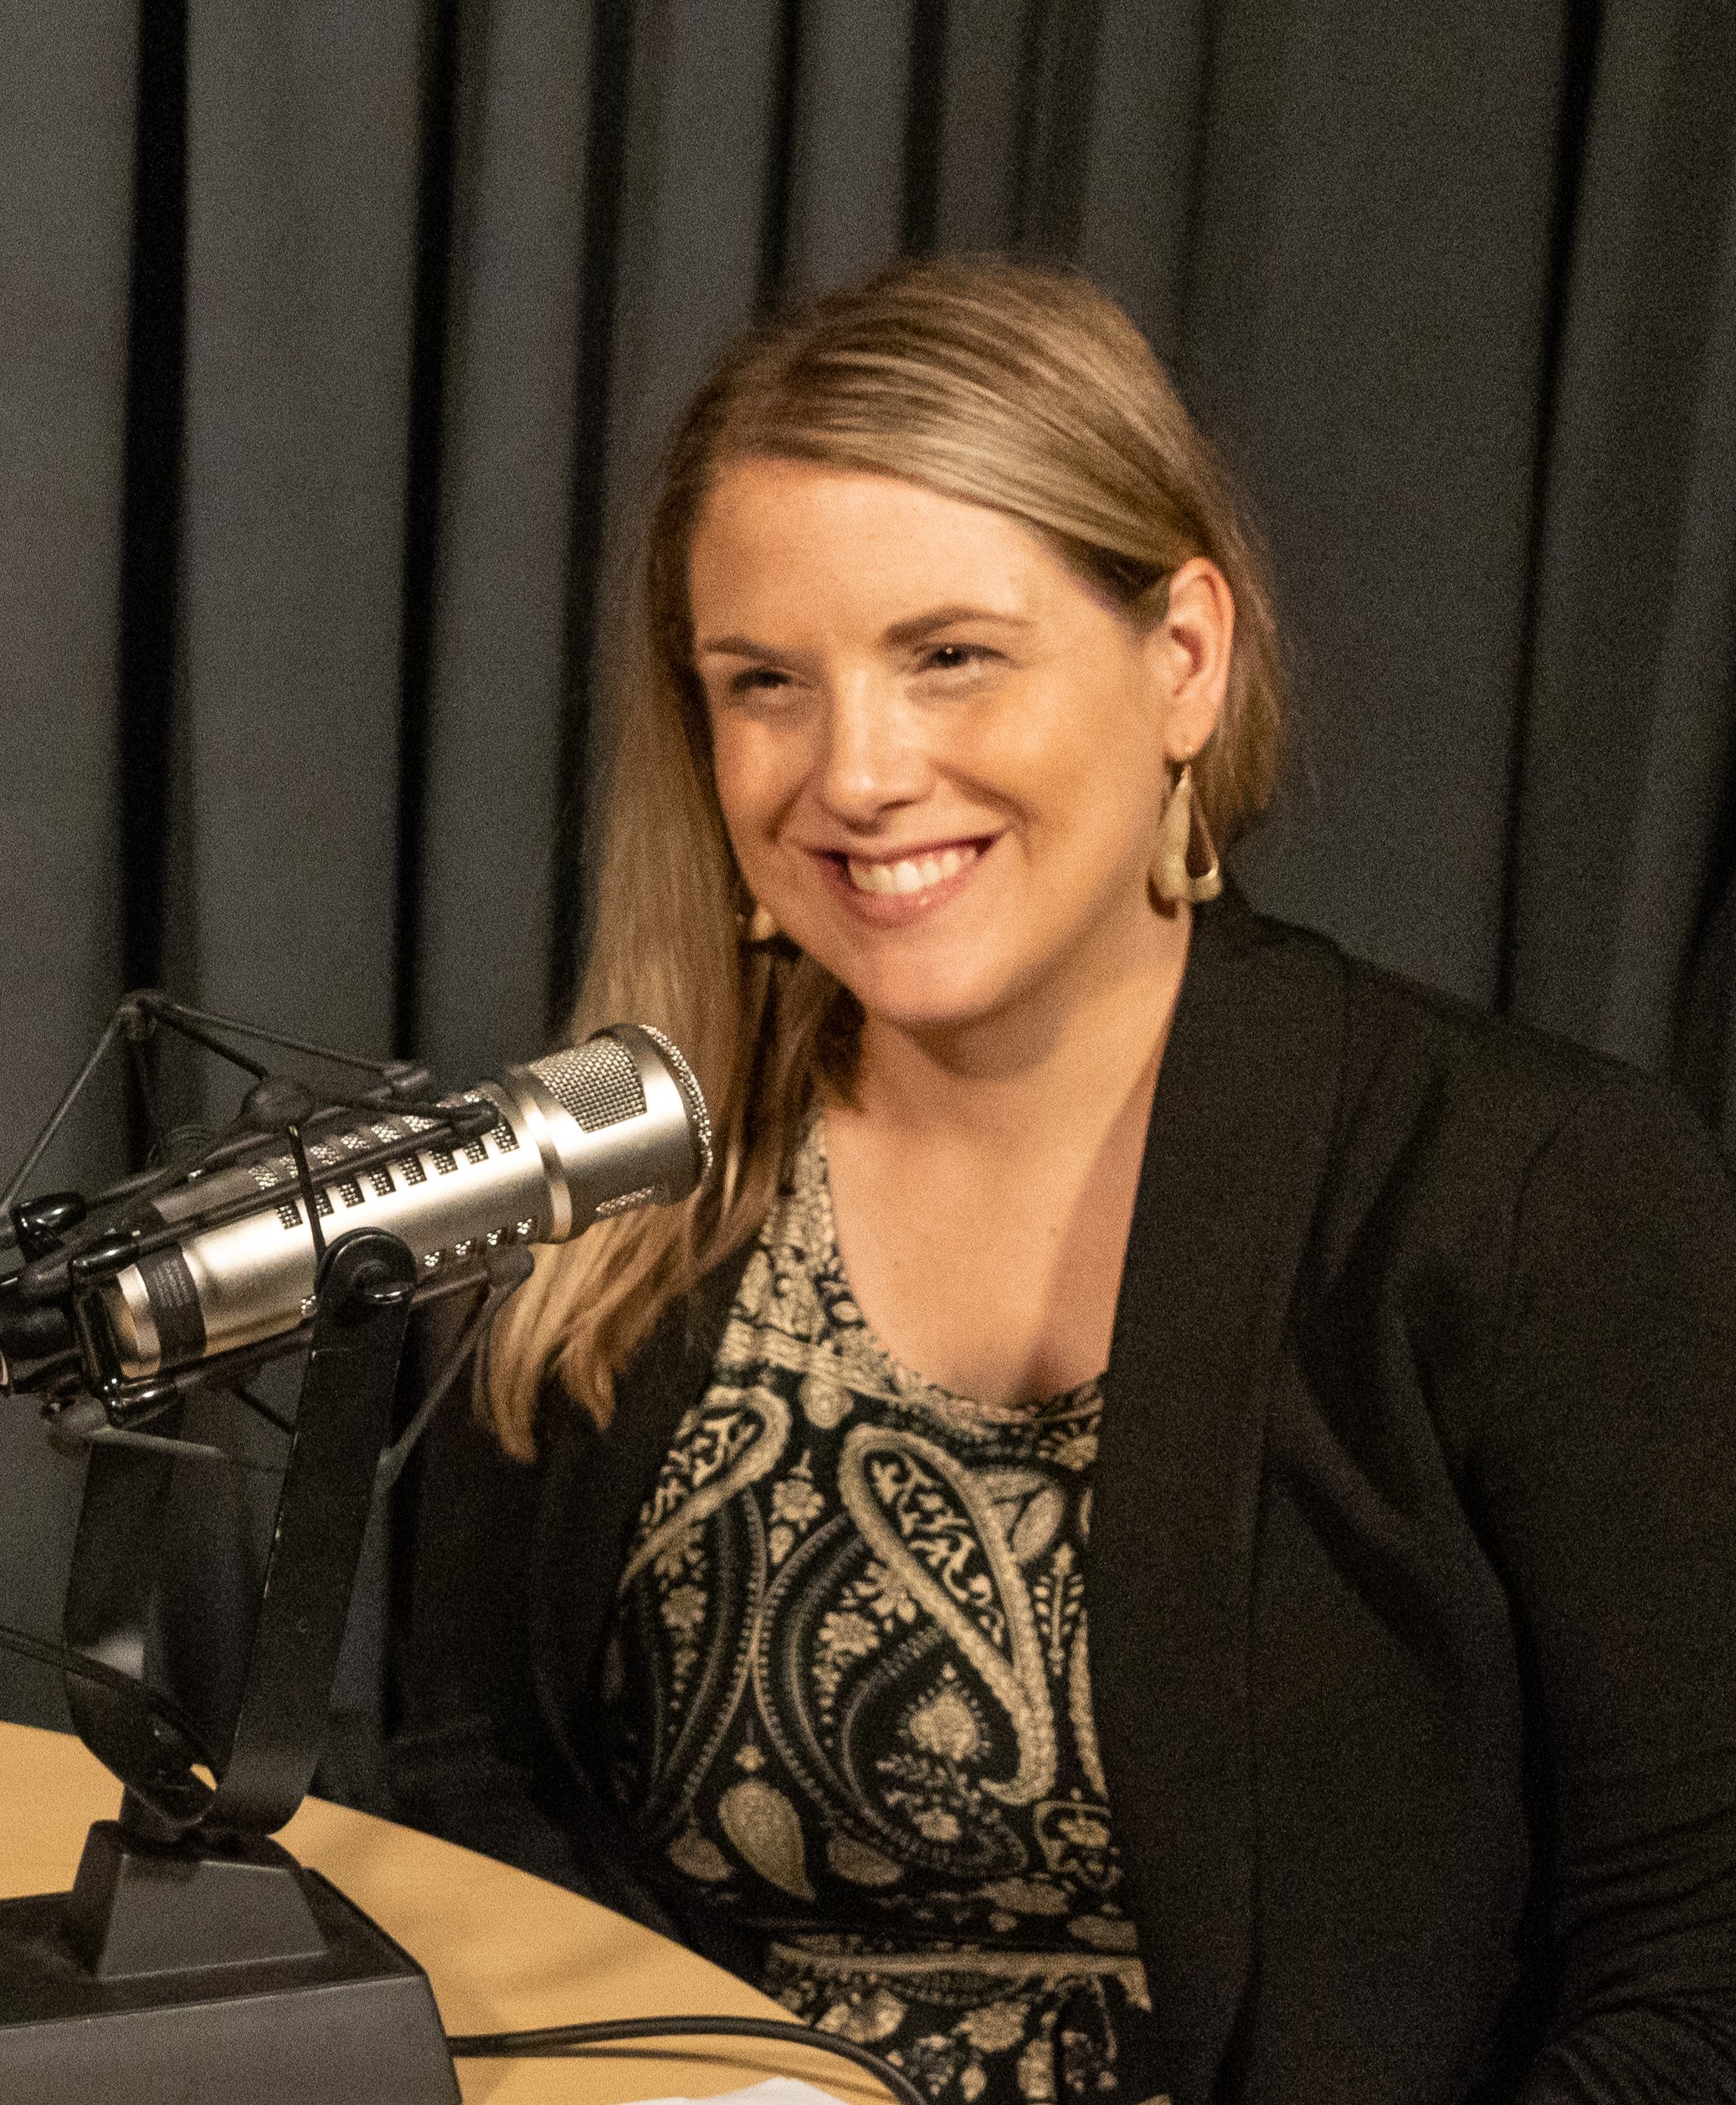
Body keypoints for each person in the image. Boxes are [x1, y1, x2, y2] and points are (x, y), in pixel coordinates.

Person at [389, 258, 1736, 2104]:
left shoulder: (1532, 1190)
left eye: (948, 654)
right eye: (763, 684)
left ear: (1181, 655)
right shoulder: (611, 1186)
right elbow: (468, 1787)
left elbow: (1697, 1971)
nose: (853, 772)